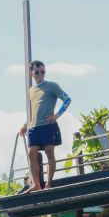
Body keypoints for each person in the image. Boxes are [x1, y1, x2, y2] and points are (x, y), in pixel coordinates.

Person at [19, 60, 70, 191]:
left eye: (43, 71)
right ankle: (36, 184)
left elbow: (67, 99)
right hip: (34, 127)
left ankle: (48, 183)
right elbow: (32, 111)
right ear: (31, 73)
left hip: (48, 125)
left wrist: (56, 115)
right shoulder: (30, 91)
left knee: (49, 152)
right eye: (37, 72)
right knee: (31, 153)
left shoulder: (52, 86)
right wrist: (25, 125)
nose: (40, 74)